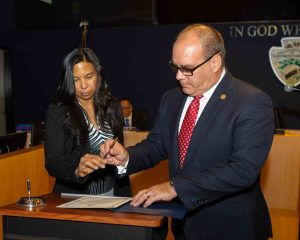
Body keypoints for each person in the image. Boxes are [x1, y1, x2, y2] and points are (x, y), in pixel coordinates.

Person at [101, 24, 274, 240]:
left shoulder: (251, 102)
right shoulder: (172, 99)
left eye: (187, 69)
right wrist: (128, 157)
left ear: (215, 62)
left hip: (232, 228)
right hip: (185, 226)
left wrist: (175, 187)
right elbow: (157, 145)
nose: (179, 76)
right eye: (175, 67)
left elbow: (242, 170)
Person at [44, 47, 131, 197]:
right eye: (75, 79)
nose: (83, 86)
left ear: (98, 74)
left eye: (89, 76)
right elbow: (52, 161)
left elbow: (119, 152)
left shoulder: (112, 105)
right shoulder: (58, 110)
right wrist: (76, 169)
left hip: (112, 194)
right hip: (76, 196)